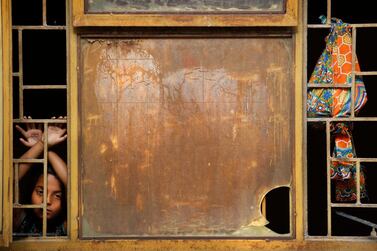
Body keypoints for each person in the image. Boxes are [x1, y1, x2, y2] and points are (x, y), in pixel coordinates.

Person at [13, 116, 68, 236]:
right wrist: (42, 144)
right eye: (41, 192)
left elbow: (78, 189)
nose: (47, 201)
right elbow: (8, 180)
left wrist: (43, 146)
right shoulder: (18, 218)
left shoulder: (69, 225)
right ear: (31, 190)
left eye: (58, 196)